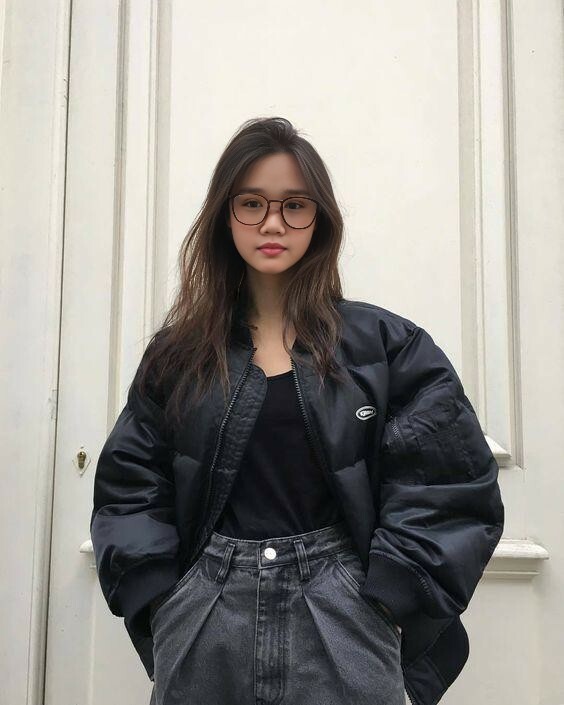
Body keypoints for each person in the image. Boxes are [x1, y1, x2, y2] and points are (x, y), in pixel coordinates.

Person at [90, 116, 504, 705]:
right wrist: (162, 600)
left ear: (321, 218)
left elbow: (449, 484)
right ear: (224, 216)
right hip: (207, 613)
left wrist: (389, 601)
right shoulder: (180, 355)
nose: (273, 223)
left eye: (294, 205)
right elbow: (130, 486)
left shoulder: (388, 347)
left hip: (346, 612)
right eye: (251, 203)